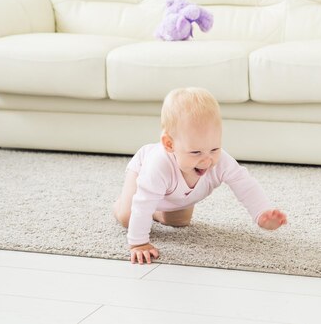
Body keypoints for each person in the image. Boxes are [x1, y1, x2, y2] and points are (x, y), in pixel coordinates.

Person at [113, 87, 288, 264]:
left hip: (178, 194)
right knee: (129, 217)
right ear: (169, 144)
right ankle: (120, 205)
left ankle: (158, 212)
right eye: (196, 152)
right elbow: (144, 202)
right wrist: (139, 243)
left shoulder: (220, 161)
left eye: (214, 149)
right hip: (144, 178)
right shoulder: (157, 165)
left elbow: (244, 184)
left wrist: (262, 213)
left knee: (180, 221)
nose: (207, 161)